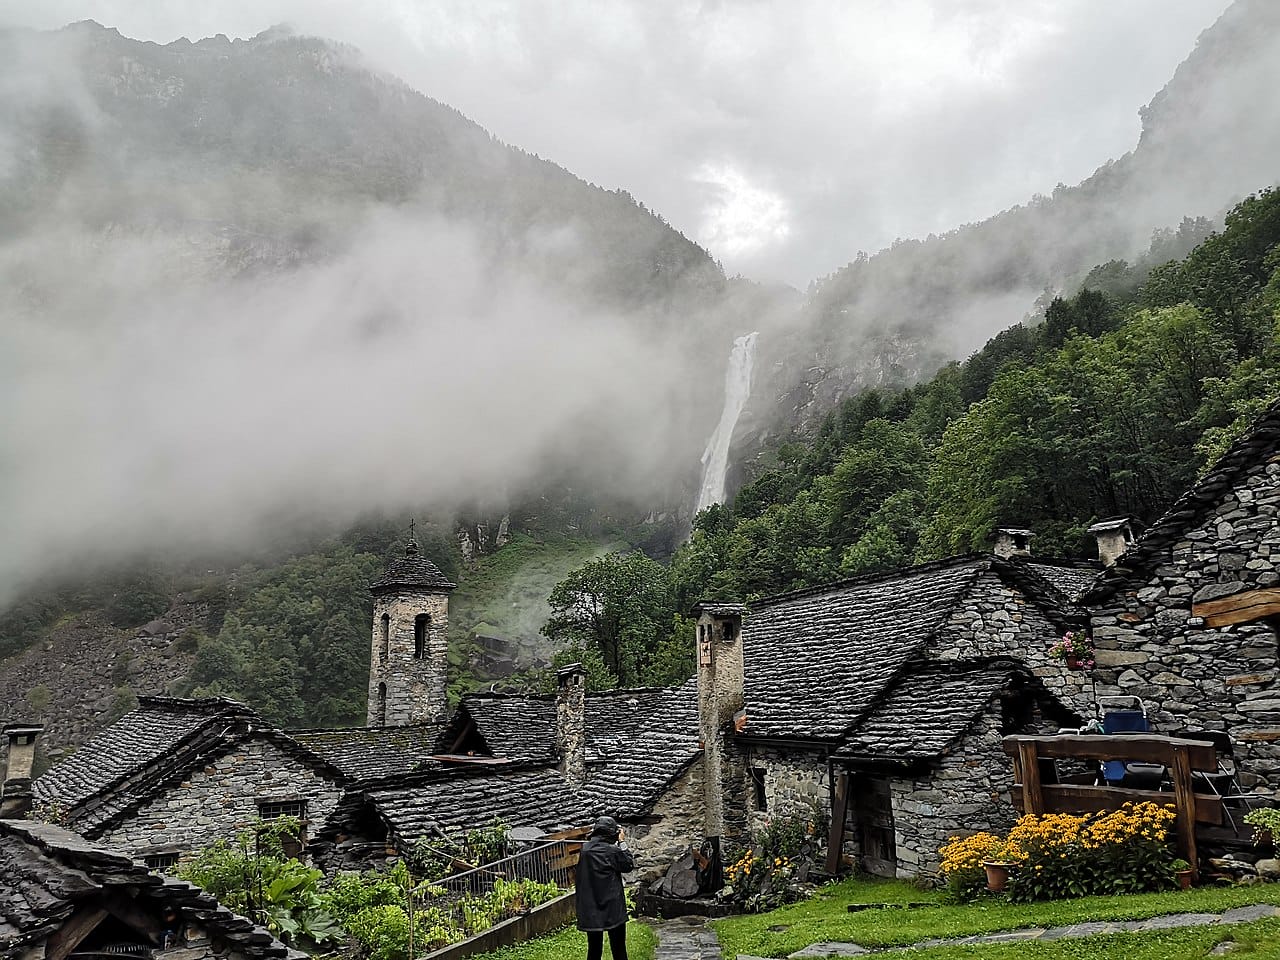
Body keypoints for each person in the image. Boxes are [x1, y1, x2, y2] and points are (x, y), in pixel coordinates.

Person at [575, 815, 635, 960]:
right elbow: (628, 864)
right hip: (612, 906)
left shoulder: (585, 850)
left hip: (591, 906)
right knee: (619, 948)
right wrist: (622, 842)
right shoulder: (612, 851)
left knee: (594, 949)